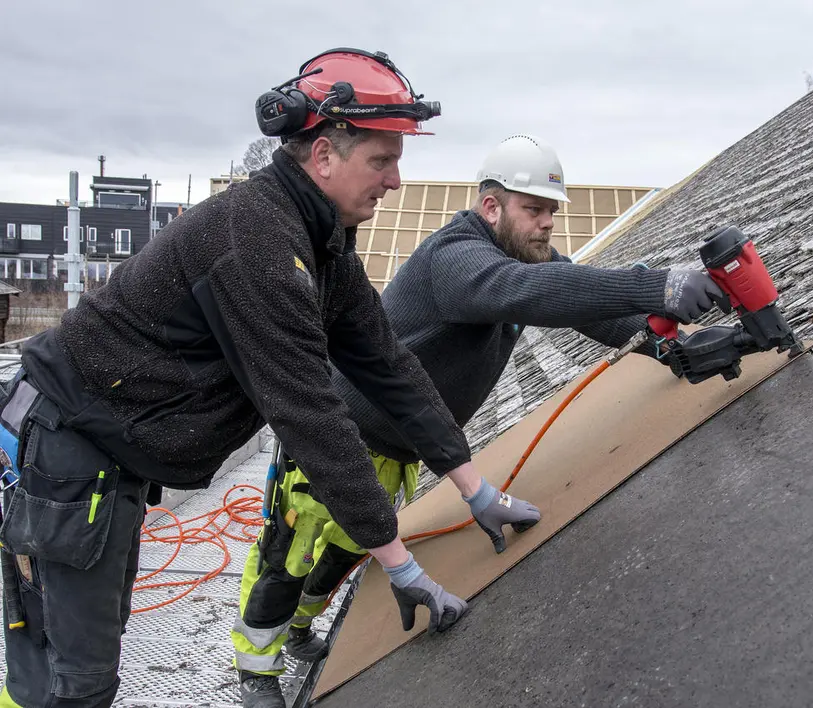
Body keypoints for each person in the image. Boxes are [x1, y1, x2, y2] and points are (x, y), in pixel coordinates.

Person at [0, 48, 534, 708]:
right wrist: (400, 564)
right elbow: (310, 414)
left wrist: (474, 488)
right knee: (69, 682)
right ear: (323, 156)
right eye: (382, 159)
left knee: (70, 666)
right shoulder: (256, 243)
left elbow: (389, 365)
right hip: (69, 453)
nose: (396, 180)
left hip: (105, 456)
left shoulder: (317, 238)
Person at [230, 132, 731, 702]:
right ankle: (256, 671)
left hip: (400, 451)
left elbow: (582, 304)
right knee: (288, 557)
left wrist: (668, 348)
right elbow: (527, 290)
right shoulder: (456, 260)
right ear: (491, 207)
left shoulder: (520, 257)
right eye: (533, 210)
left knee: (346, 552)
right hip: (337, 436)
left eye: (551, 212)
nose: (547, 224)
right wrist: (655, 285)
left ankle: (299, 630)